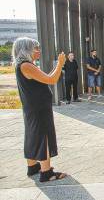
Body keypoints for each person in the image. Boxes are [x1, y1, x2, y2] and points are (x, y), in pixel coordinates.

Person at [12, 37, 67, 182]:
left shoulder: (23, 65)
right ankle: (46, 172)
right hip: (39, 108)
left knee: (32, 135)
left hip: (33, 108)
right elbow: (51, 79)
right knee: (44, 136)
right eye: (36, 48)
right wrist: (60, 64)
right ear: (26, 50)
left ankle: (32, 167)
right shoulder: (26, 66)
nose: (38, 51)